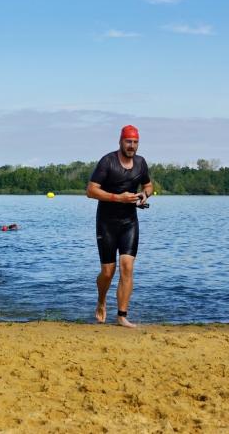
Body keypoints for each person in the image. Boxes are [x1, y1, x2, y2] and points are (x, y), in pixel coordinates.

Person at [86, 125, 153, 328]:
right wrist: (118, 198)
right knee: (108, 272)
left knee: (127, 266)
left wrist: (144, 195)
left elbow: (148, 185)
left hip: (129, 222)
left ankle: (122, 316)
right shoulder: (108, 161)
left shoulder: (141, 163)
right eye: (128, 141)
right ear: (121, 141)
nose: (132, 146)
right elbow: (91, 190)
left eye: (135, 142)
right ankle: (101, 300)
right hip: (106, 223)